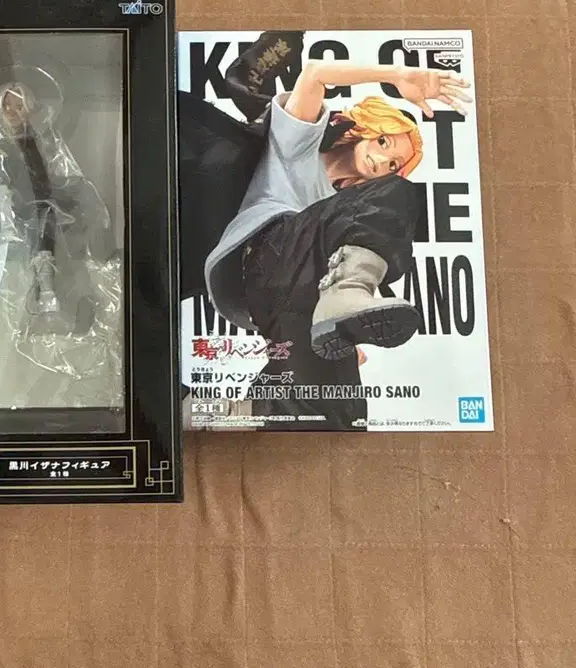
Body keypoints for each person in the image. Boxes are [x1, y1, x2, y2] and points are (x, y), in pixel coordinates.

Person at [181, 31, 471, 428]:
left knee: (340, 405)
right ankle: (345, 294)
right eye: (384, 142)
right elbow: (316, 74)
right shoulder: (299, 147)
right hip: (263, 255)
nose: (383, 161)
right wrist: (396, 75)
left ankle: (232, 412)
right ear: (364, 128)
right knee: (398, 196)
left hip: (280, 296)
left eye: (393, 164)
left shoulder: (348, 211)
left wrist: (343, 342)